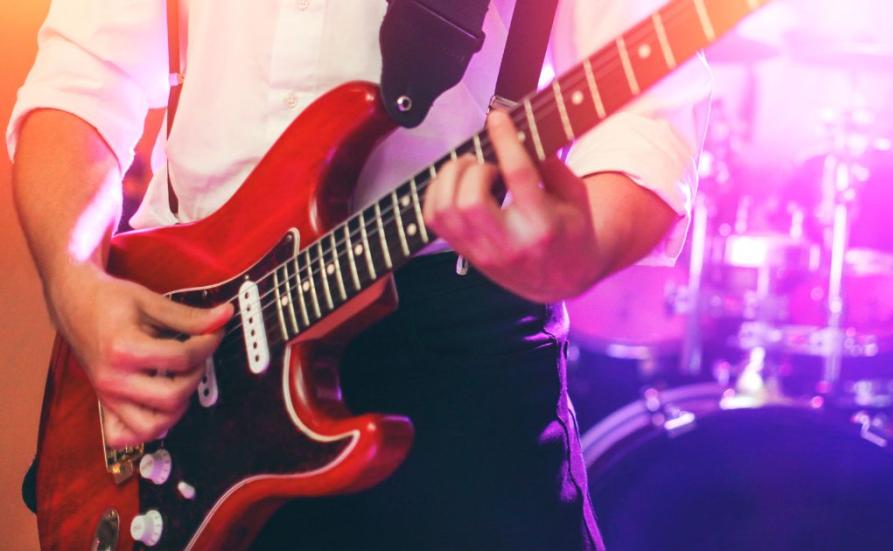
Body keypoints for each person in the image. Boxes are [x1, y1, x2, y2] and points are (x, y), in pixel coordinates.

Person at [8, 0, 709, 548]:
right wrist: (75, 287)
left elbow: (650, 115)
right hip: (185, 348)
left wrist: (587, 243)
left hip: (454, 369)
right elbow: (83, 80)